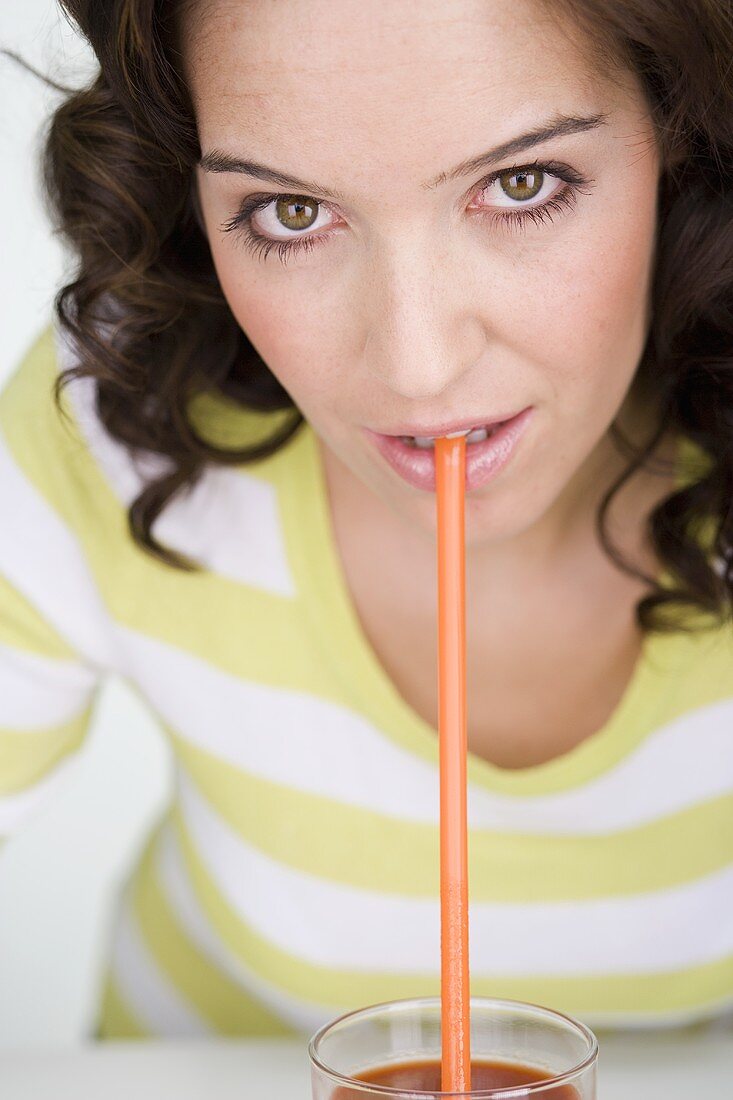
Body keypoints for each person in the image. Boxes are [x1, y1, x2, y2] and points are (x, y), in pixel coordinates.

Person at [1, 0, 732, 1040]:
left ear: (685, 142)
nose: (415, 365)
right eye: (290, 213)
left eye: (522, 184)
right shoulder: (118, 420)